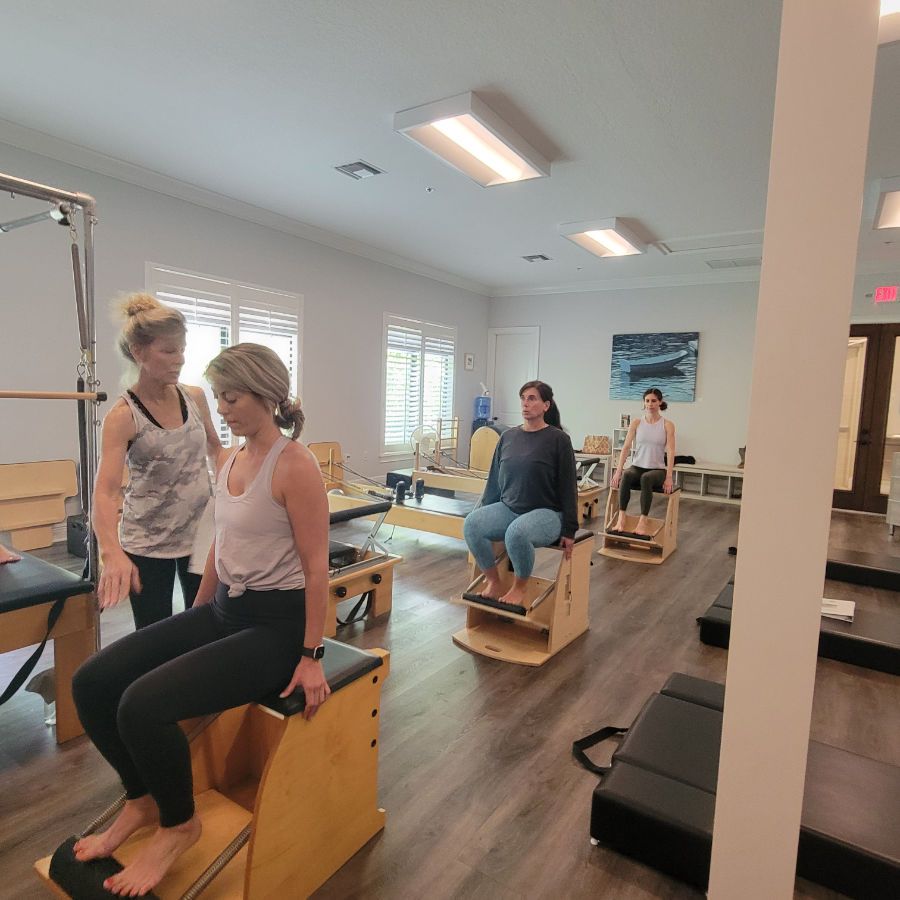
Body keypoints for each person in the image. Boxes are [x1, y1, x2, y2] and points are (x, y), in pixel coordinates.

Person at [71, 342, 330, 897]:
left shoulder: (296, 465)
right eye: (218, 397)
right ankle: (141, 798)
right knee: (91, 683)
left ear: (266, 394)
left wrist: (312, 656)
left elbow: (316, 569)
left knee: (141, 707)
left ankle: (179, 824)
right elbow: (219, 544)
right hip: (221, 610)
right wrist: (192, 624)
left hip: (276, 629)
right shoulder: (232, 458)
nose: (222, 408)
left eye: (232, 397)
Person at [93, 293, 224, 629]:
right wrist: (111, 553)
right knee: (154, 633)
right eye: (168, 351)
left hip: (200, 532)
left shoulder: (194, 397)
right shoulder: (123, 416)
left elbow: (215, 449)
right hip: (147, 542)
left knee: (204, 623)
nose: (179, 359)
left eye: (182, 349)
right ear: (139, 352)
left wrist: (235, 495)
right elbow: (105, 491)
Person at [463, 380, 578, 608]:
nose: (525, 403)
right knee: (472, 525)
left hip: (547, 513)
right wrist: (483, 511)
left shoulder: (559, 440)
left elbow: (568, 486)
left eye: (532, 398)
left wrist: (569, 529)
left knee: (516, 533)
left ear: (546, 405)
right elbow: (494, 481)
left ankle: (519, 588)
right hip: (510, 508)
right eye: (523, 398)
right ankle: (493, 582)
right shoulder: (508, 437)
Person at [610, 387, 676, 535]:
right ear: (644, 402)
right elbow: (626, 447)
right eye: (647, 401)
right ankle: (621, 518)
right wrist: (618, 471)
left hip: (657, 470)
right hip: (637, 466)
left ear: (660, 402)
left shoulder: (667, 425)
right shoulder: (637, 423)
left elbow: (671, 451)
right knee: (627, 474)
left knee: (646, 478)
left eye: (653, 401)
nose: (650, 404)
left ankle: (643, 521)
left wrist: (669, 477)